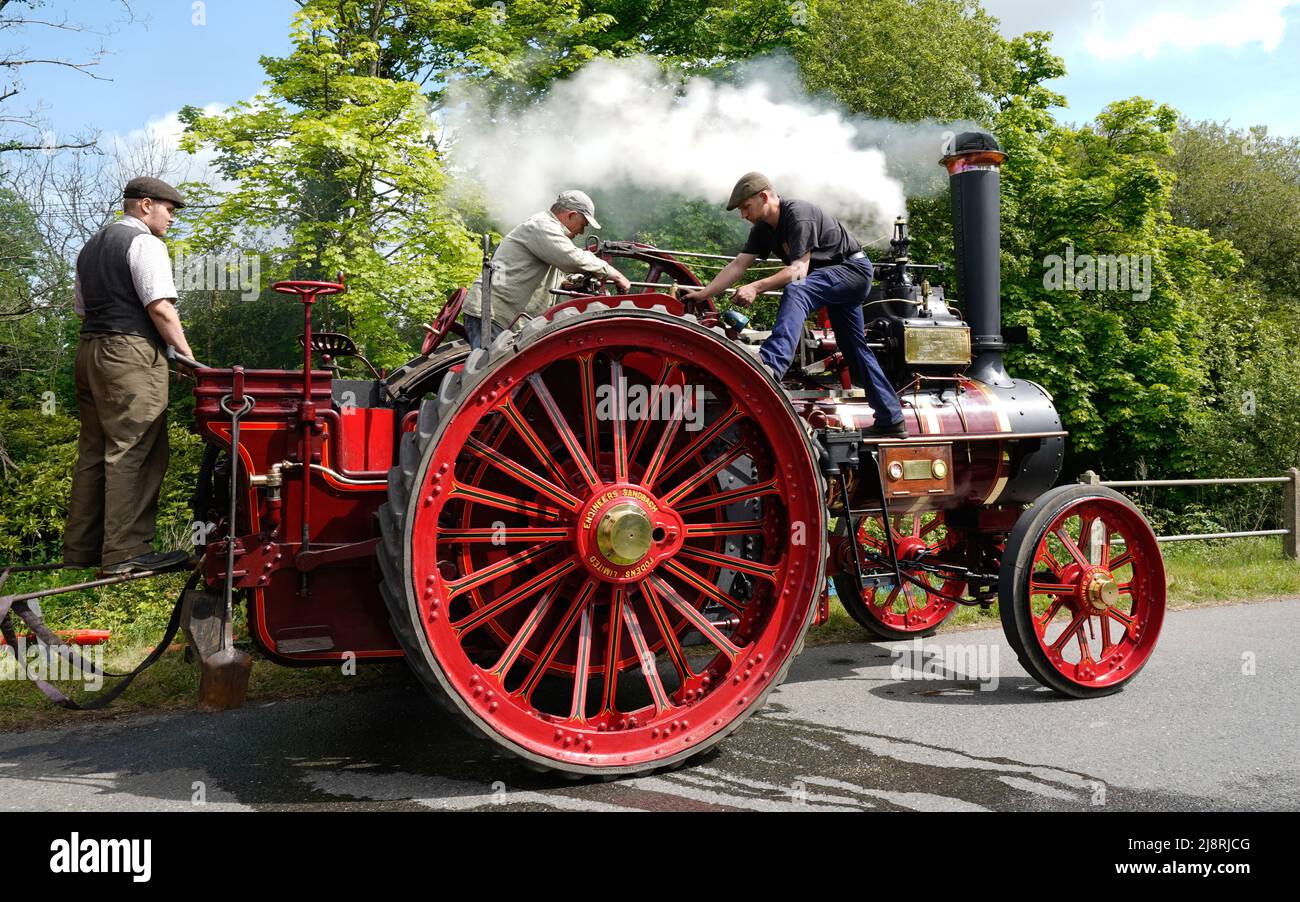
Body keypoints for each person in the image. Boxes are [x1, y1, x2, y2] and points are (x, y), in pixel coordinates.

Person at [683, 173, 906, 438]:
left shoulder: (798, 215)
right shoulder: (763, 230)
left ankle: (771, 365)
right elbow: (739, 265)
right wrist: (702, 293)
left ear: (764, 197)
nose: (743, 215)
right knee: (854, 348)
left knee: (797, 289)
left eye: (746, 207)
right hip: (831, 279)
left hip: (852, 270)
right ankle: (891, 417)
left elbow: (799, 271)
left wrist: (756, 286)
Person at [62, 176, 196, 575]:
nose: (171, 220)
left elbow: (81, 310)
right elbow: (160, 308)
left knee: (94, 450)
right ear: (145, 205)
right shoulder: (146, 243)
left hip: (89, 352)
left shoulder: (90, 248)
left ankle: (82, 551)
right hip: (130, 353)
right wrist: (188, 358)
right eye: (169, 211)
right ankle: (125, 554)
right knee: (135, 448)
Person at [461, 190, 632, 348]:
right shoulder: (542, 226)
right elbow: (572, 258)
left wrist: (571, 283)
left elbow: (551, 276)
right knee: (495, 376)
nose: (582, 231)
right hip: (493, 315)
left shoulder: (545, 231)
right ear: (571, 215)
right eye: (583, 224)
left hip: (498, 316)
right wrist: (613, 273)